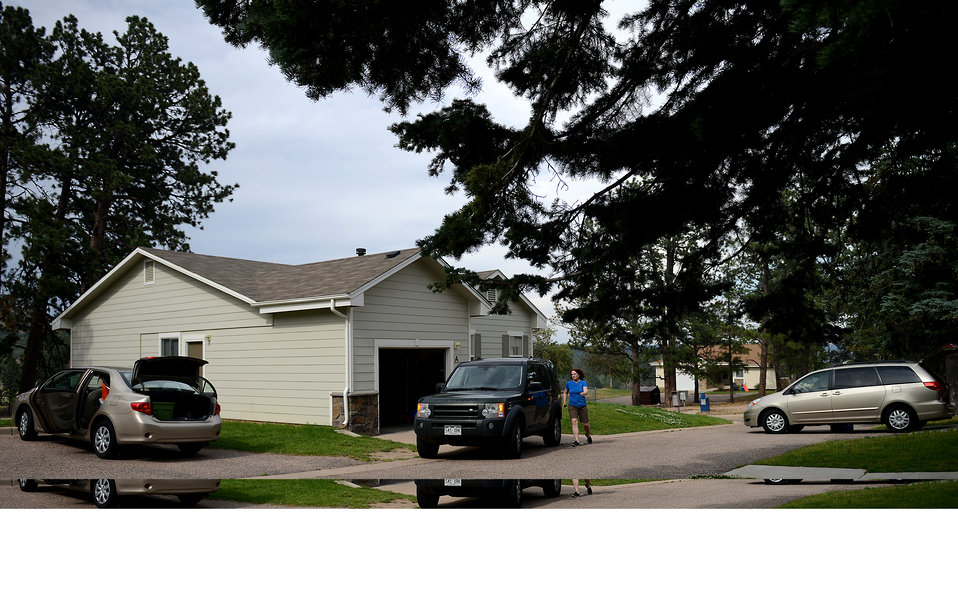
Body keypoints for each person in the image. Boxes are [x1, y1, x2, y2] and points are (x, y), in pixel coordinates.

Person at [563, 368, 592, 446]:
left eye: (575, 374)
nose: (573, 375)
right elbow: (565, 392)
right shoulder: (569, 384)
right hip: (572, 405)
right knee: (574, 421)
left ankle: (588, 435)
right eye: (572, 374)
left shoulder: (583, 383)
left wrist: (584, 393)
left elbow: (586, 390)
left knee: (585, 424)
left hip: (582, 405)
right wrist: (565, 401)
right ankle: (577, 441)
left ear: (578, 375)